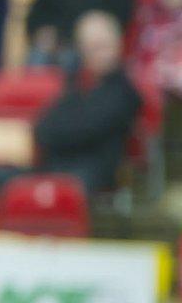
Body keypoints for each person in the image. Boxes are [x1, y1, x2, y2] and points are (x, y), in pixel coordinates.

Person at [33, 10, 143, 195]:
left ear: (118, 45)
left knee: (63, 191)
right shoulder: (75, 85)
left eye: (103, 46)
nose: (98, 54)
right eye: (91, 48)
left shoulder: (125, 92)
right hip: (57, 166)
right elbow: (42, 129)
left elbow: (88, 128)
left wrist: (62, 131)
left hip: (95, 173)